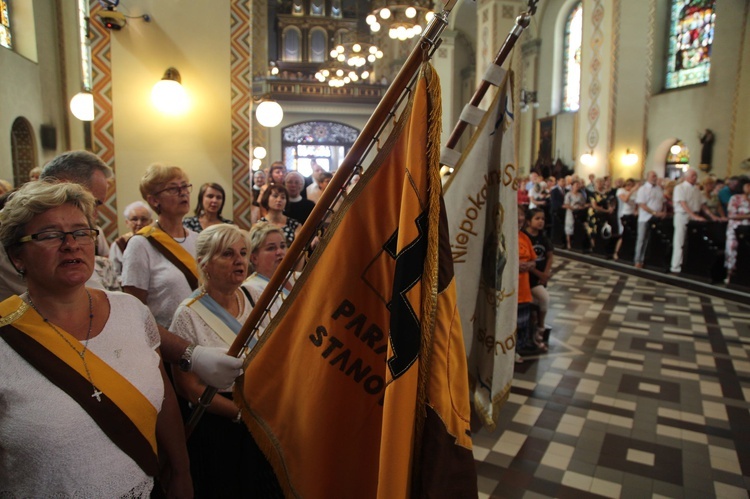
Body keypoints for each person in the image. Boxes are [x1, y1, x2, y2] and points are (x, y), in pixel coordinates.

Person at [0, 180, 192, 497]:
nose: (70, 244)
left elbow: (164, 399)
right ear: (17, 256)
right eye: (49, 235)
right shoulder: (7, 336)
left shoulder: (131, 311)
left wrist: (181, 471)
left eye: (81, 232)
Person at [170, 224, 283, 497]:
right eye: (227, 254)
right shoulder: (187, 314)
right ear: (205, 264)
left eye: (243, 253)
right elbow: (188, 387)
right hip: (221, 423)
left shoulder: (256, 296)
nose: (239, 260)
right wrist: (242, 414)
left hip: (265, 412)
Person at [121, 163, 243, 389]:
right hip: (170, 350)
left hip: (210, 341)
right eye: (173, 189)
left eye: (185, 187)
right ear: (154, 199)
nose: (183, 192)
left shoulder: (199, 240)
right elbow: (134, 308)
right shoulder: (141, 244)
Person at [242, 222, 293, 335]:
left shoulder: (296, 277)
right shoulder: (249, 289)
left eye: (283, 246)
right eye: (271, 248)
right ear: (254, 258)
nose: (280, 252)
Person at [671, 169, 715, 274]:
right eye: (692, 176)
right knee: (680, 241)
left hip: (693, 216)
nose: (695, 178)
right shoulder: (680, 187)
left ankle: (688, 264)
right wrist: (694, 216)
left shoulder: (697, 190)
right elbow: (683, 203)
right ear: (686, 177)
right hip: (682, 215)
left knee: (692, 241)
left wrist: (712, 216)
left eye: (696, 176)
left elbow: (703, 205)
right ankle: (676, 266)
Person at [523, 208, 554, 350]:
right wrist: (539, 274)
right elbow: (527, 262)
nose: (541, 221)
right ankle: (538, 329)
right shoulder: (524, 237)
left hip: (540, 278)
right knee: (541, 299)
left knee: (541, 301)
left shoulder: (543, 237)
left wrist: (546, 273)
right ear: (528, 221)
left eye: (542, 219)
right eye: (537, 218)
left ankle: (539, 329)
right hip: (527, 277)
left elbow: (549, 256)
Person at [109, 201, 153, 276]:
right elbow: (114, 274)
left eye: (144, 219)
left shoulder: (157, 241)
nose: (139, 223)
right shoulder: (120, 244)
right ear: (127, 222)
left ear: (150, 222)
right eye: (134, 219)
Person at [634, 171, 666, 269]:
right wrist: (655, 213)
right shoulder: (643, 189)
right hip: (645, 218)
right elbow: (642, 205)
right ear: (647, 177)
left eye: (655, 176)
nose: (654, 178)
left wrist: (663, 212)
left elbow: (663, 202)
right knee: (642, 239)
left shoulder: (659, 189)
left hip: (657, 218)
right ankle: (638, 260)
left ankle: (647, 259)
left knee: (651, 240)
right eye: (652, 176)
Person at [724, 177, 750, 283]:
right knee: (732, 249)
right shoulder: (735, 198)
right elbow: (731, 214)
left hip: (747, 230)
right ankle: (730, 274)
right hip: (735, 229)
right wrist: (747, 216)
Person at [613, 178, 640, 261]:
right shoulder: (621, 191)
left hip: (632, 215)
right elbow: (625, 200)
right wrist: (631, 191)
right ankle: (616, 252)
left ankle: (628, 252)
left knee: (631, 235)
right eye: (629, 185)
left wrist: (636, 210)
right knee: (623, 234)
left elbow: (637, 203)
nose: (630, 187)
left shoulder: (635, 193)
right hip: (624, 214)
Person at [563, 180, 587, 250]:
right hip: (570, 212)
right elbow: (566, 204)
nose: (577, 186)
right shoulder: (568, 194)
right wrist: (572, 208)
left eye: (578, 185)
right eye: (576, 185)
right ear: (572, 186)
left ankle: (576, 243)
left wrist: (582, 207)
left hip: (578, 213)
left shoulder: (580, 195)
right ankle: (568, 243)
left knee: (577, 227)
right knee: (569, 226)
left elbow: (583, 204)